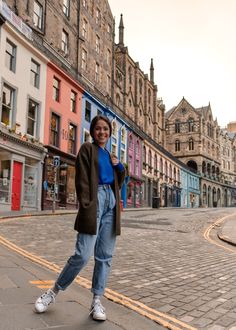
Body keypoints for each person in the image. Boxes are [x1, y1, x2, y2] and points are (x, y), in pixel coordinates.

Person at [34, 115, 125, 321]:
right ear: (93, 132)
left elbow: (118, 182)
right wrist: (87, 204)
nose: (102, 132)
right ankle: (52, 293)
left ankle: (96, 301)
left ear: (109, 133)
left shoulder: (110, 154)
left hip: (111, 201)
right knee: (82, 255)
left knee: (105, 256)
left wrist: (119, 166)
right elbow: (82, 180)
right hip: (95, 200)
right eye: (98, 129)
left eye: (106, 129)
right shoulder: (87, 149)